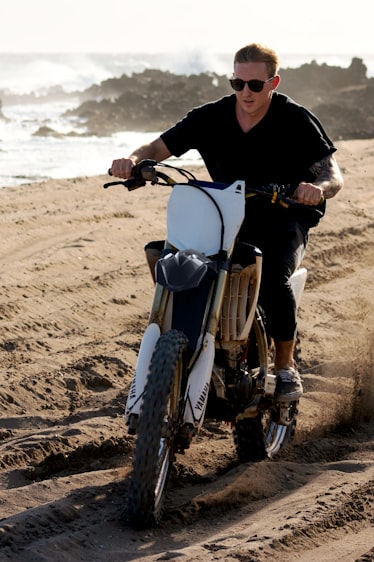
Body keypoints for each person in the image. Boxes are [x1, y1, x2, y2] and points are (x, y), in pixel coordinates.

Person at [109, 43, 343, 403]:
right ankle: (184, 345)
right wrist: (132, 160)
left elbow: (332, 175)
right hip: (222, 213)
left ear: (273, 82)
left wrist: (316, 189)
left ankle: (285, 368)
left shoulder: (295, 119)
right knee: (168, 259)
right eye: (238, 83)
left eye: (255, 85)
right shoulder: (211, 116)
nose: (245, 93)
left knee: (273, 279)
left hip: (282, 216)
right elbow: (157, 148)